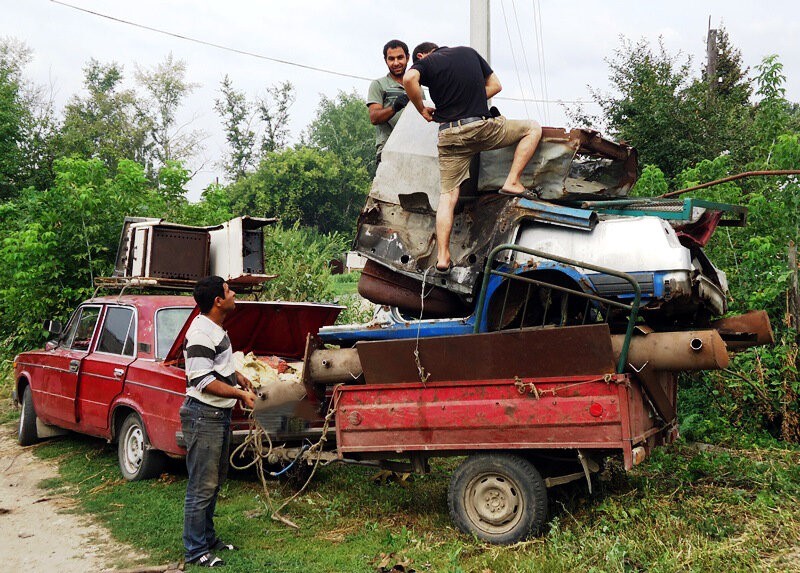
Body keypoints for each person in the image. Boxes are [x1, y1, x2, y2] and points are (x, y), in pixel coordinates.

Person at [403, 43, 543, 273]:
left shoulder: (427, 62)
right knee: (532, 128)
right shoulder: (469, 53)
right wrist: (472, 99)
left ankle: (443, 257)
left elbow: (409, 80)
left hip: (449, 134)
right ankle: (512, 181)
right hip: (480, 128)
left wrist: (421, 108)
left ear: (421, 55)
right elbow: (496, 86)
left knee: (447, 196)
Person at [180, 276, 256, 567]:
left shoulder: (214, 328)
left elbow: (217, 366)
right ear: (218, 301)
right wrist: (238, 393)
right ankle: (196, 550)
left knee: (213, 482)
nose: (234, 293)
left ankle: (209, 540)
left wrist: (238, 376)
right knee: (201, 485)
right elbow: (202, 379)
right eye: (228, 290)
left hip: (216, 414)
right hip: (204, 415)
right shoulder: (201, 333)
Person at [367, 39, 411, 164]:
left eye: (400, 57)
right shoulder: (378, 84)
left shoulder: (416, 87)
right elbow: (374, 118)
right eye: (391, 59)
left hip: (413, 149)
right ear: (385, 60)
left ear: (407, 58)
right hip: (388, 149)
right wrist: (394, 107)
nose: (396, 63)